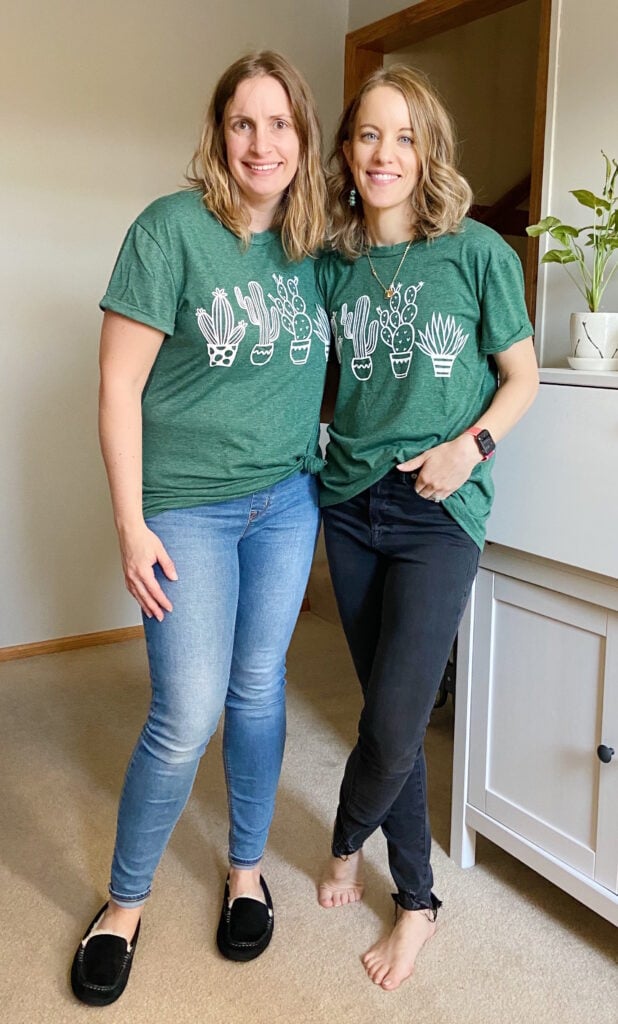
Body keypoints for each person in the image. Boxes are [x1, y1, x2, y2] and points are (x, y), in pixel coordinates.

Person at [70, 51, 328, 1006]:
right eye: (242, 123)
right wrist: (131, 524)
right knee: (184, 715)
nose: (262, 143)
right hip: (188, 508)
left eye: (280, 125)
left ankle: (246, 871)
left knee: (260, 691)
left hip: (286, 503)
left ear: (304, 138)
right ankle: (124, 905)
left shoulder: (318, 241)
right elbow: (118, 386)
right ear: (219, 133)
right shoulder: (170, 231)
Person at [316, 65, 538, 992]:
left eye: (403, 137)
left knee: (398, 718)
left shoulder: (477, 251)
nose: (385, 154)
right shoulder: (331, 261)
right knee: (385, 712)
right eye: (368, 135)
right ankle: (417, 898)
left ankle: (344, 842)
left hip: (441, 505)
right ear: (348, 150)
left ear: (428, 151)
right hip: (351, 503)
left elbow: (520, 378)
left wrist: (468, 448)